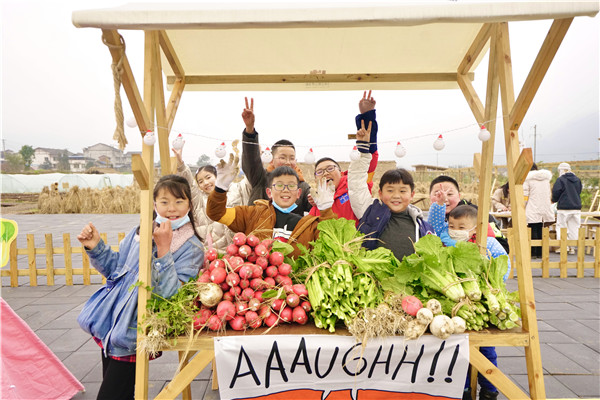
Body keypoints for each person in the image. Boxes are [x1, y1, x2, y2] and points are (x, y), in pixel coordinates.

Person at [77, 175, 205, 400]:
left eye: (179, 201)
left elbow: (172, 296)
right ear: (154, 204)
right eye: (164, 202)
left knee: (111, 395)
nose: (171, 209)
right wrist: (96, 246)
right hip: (112, 323)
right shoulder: (140, 231)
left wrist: (163, 250)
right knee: (121, 392)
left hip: (135, 328)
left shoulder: (192, 246)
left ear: (190, 205)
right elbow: (116, 270)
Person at [206, 154, 336, 258]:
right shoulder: (251, 214)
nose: (285, 190)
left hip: (294, 288)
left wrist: (326, 210)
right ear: (269, 192)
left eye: (291, 186)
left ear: (298, 193)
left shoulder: (308, 226)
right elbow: (216, 213)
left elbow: (330, 244)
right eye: (279, 185)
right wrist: (220, 188)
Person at [347, 121, 434, 261]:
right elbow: (356, 184)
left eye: (402, 191)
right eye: (390, 190)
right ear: (380, 193)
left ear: (412, 195)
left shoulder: (423, 227)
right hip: (373, 281)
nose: (396, 196)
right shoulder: (370, 212)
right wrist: (363, 151)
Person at [447, 205, 508, 400]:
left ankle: (490, 388)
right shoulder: (449, 245)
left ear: (475, 229)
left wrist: (491, 285)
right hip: (459, 306)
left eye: (461, 226)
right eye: (452, 226)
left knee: (486, 349)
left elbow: (503, 266)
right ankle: (463, 388)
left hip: (484, 305)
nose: (456, 231)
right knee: (458, 349)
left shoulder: (489, 243)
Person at [309, 90, 379, 223]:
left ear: (340, 172)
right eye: (320, 171)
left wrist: (367, 116)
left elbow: (368, 157)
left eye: (330, 168)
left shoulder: (356, 184)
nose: (325, 173)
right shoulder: (317, 206)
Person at [172, 142, 250, 252]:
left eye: (208, 177)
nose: (206, 183)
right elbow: (189, 183)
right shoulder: (199, 199)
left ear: (218, 176)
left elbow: (251, 181)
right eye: (200, 181)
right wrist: (180, 163)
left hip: (237, 250)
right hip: (209, 252)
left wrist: (254, 154)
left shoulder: (236, 189)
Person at [241, 97, 312, 215]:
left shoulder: (302, 186)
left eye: (292, 158)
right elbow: (251, 161)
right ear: (272, 160)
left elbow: (316, 208)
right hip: (258, 232)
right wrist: (250, 129)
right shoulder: (260, 178)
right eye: (283, 157)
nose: (288, 162)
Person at [429, 176, 510, 254]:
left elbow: (503, 247)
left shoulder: (477, 214)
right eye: (438, 194)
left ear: (459, 196)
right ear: (430, 197)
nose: (444, 199)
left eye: (449, 194)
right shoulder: (431, 218)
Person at [523, 164, 554, 258]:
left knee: (532, 230)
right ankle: (540, 253)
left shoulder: (527, 179)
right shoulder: (546, 180)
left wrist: (523, 206)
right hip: (544, 208)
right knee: (541, 229)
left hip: (532, 207)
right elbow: (549, 194)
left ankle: (533, 253)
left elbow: (525, 195)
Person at [552, 162, 582, 255]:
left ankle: (563, 247)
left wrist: (554, 200)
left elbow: (556, 192)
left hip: (564, 207)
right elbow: (579, 191)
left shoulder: (561, 180)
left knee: (562, 227)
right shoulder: (577, 180)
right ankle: (572, 247)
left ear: (560, 170)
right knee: (574, 228)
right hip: (576, 207)